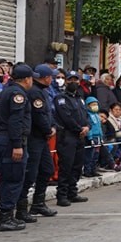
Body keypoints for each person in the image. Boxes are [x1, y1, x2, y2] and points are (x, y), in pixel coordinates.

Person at [0, 63, 35, 232]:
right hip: (11, 141)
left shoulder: (7, 91)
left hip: (4, 139)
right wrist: (17, 145)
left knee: (9, 178)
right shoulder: (18, 94)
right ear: (26, 79)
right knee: (13, 179)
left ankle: (7, 215)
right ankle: (5, 218)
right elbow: (15, 121)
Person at [17, 64, 59, 220]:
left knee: (47, 169)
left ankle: (38, 204)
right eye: (51, 76)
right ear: (46, 77)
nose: (52, 79)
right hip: (35, 137)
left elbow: (48, 113)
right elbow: (39, 116)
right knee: (31, 173)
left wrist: (52, 126)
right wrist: (48, 129)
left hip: (42, 138)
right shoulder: (35, 92)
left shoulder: (42, 91)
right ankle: (21, 209)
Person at [54, 71, 90, 207]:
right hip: (67, 136)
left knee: (77, 165)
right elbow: (66, 117)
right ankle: (62, 195)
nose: (73, 82)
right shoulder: (60, 98)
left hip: (80, 137)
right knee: (66, 166)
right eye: (70, 80)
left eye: (76, 80)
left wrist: (87, 126)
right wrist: (79, 129)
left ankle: (72, 192)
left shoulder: (79, 98)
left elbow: (85, 115)